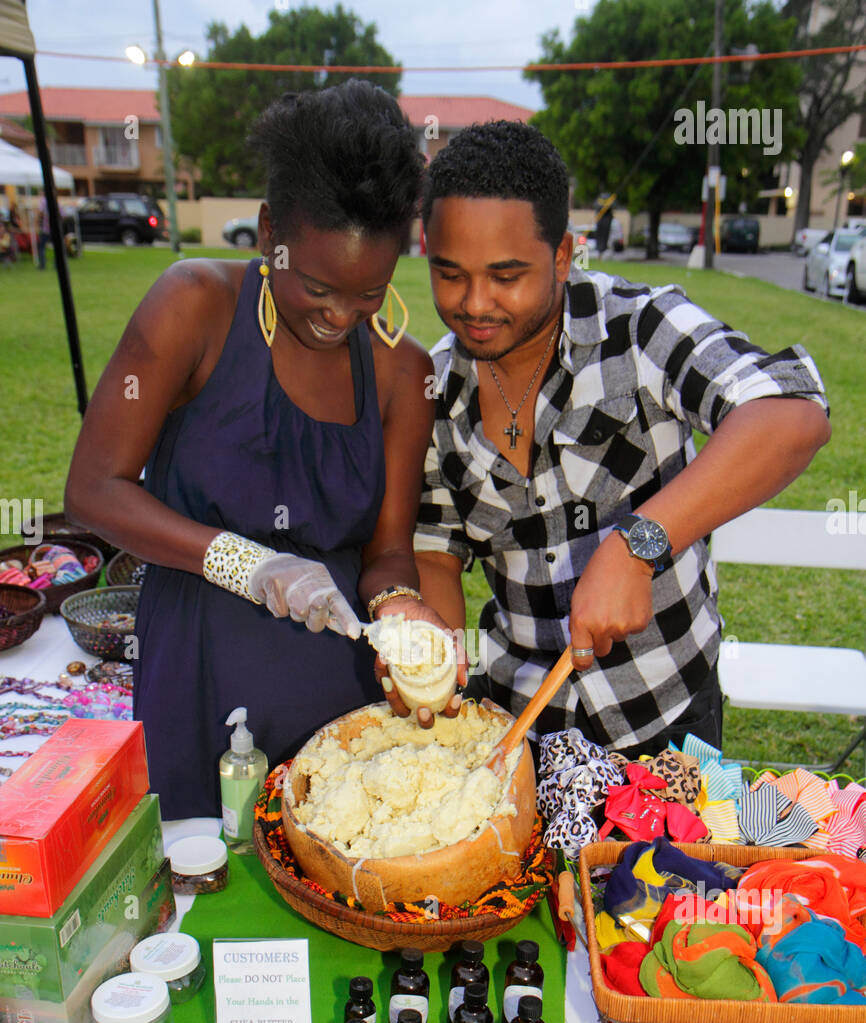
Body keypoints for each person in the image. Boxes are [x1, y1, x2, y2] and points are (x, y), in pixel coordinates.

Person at [64, 81, 458, 818]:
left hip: (337, 701)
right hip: (197, 677)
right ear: (269, 225)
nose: (340, 317)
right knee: (204, 882)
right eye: (316, 287)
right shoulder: (194, 306)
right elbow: (94, 489)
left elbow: (388, 553)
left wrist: (402, 608)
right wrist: (247, 562)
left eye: (369, 293)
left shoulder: (406, 373)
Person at [407, 121, 830, 758]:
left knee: (665, 864)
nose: (475, 303)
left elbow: (792, 412)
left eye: (506, 275)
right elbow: (437, 550)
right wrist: (436, 673)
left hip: (664, 716)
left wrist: (638, 544)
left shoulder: (640, 328)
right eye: (450, 274)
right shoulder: (435, 388)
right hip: (522, 727)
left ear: (562, 255)